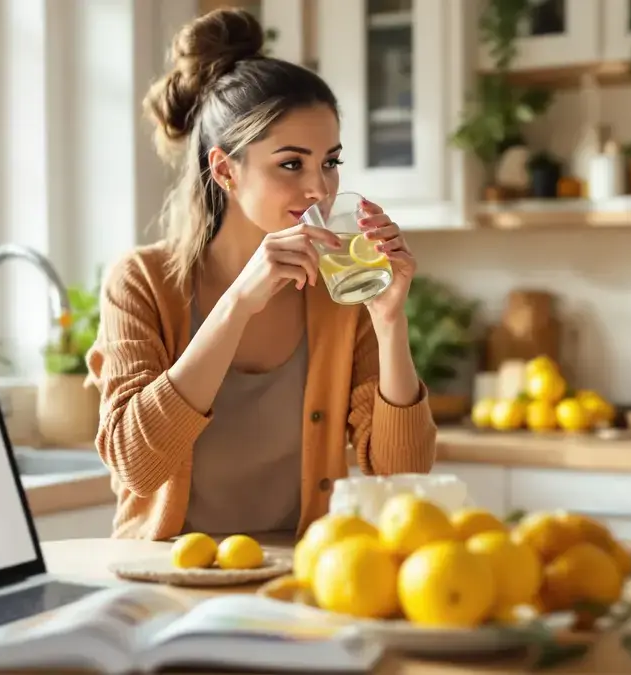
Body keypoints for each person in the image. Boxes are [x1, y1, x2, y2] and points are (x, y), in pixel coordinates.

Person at [85, 8, 437, 542]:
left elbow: (402, 474)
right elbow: (136, 464)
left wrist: (389, 323)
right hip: (165, 581)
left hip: (295, 584)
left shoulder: (338, 290)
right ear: (225, 169)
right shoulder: (141, 281)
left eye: (330, 162)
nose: (320, 188)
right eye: (291, 164)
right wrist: (236, 305)